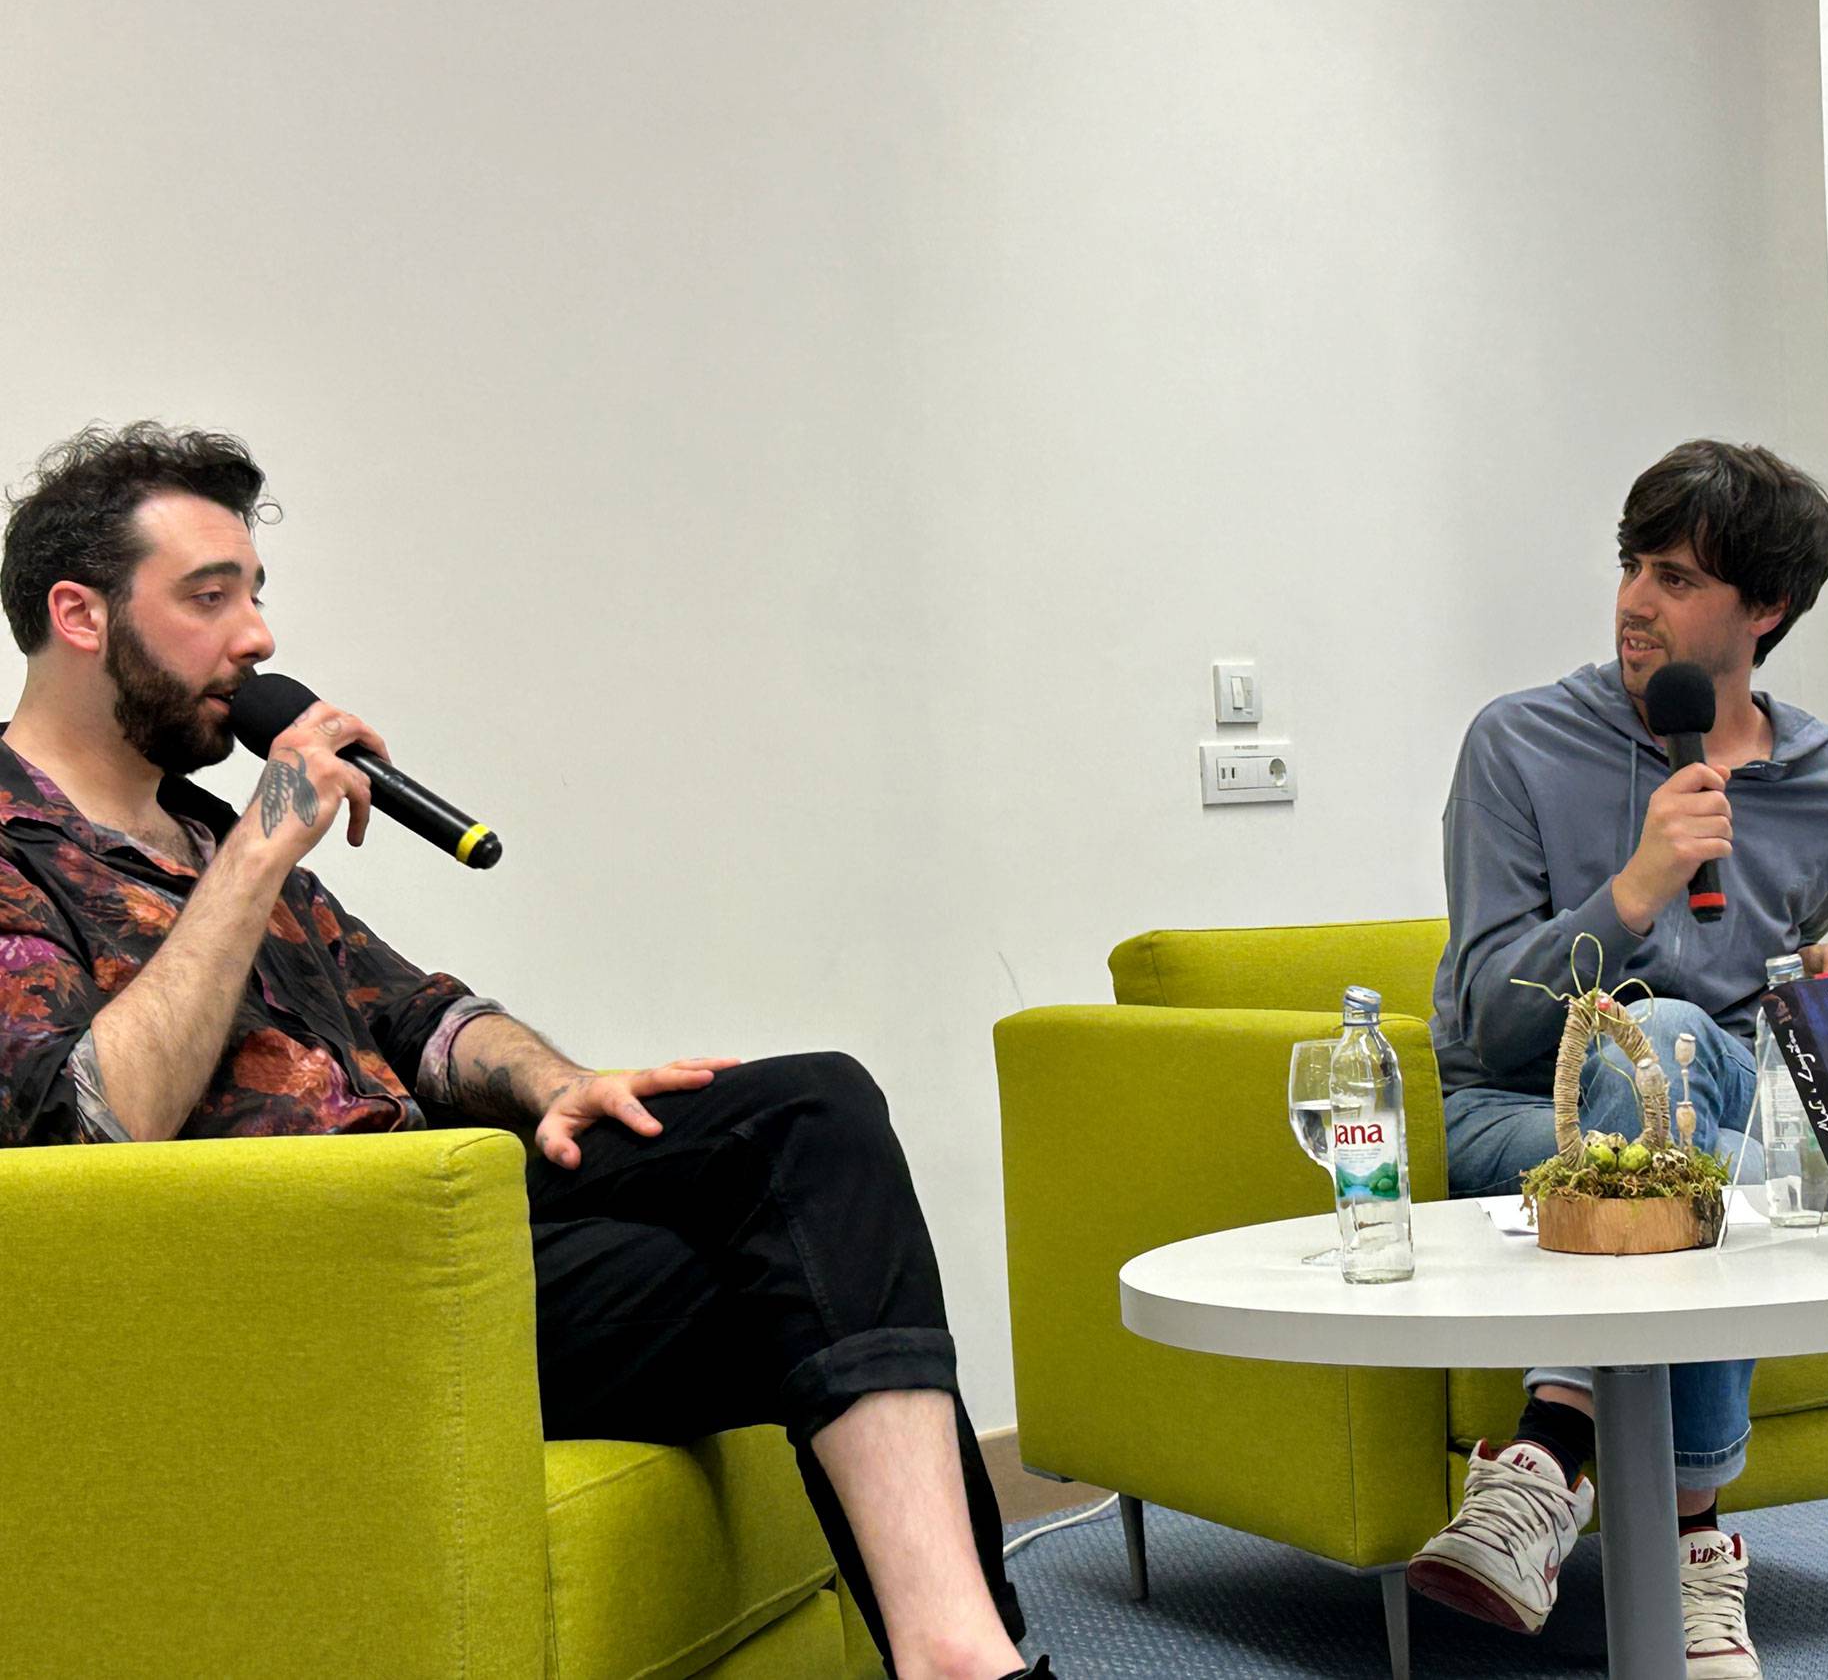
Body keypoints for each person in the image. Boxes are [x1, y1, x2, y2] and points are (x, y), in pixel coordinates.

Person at [0, 423, 1050, 1680]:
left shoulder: (201, 828)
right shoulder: (39, 843)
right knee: (818, 1275)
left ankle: (960, 1658)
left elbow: (420, 1014)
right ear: (80, 614)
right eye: (209, 598)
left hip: (449, 1216)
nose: (259, 637)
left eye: (256, 594)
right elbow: (86, 1130)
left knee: (811, 1114)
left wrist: (560, 1084)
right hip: (307, 1290)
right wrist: (266, 846)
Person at [1405, 439, 1828, 1679]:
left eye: (1675, 579)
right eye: (1632, 565)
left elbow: (1759, 997)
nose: (1635, 601)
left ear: (1765, 609)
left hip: (1698, 1097)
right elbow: (1485, 1020)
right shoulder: (1518, 742)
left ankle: (1543, 1462)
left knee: (1687, 1064)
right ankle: (1693, 1545)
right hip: (1517, 1115)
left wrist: (1811, 989)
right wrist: (1631, 893)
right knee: (1690, 1093)